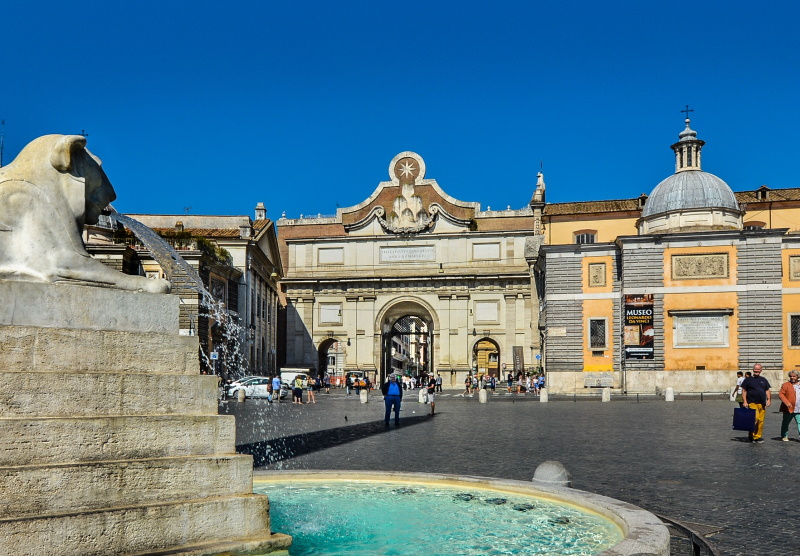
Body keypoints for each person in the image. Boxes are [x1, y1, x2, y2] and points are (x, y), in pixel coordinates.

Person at [741, 363, 771, 443]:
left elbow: (767, 390)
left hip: (762, 403)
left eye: (758, 369)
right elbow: (744, 391)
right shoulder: (748, 379)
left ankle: (757, 436)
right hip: (752, 402)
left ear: (761, 370)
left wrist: (769, 399)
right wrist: (745, 401)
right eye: (755, 369)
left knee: (761, 421)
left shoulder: (763, 380)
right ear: (753, 369)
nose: (756, 370)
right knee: (755, 418)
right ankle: (751, 435)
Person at [778, 370, 800, 441]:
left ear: (797, 376)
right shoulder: (786, 385)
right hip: (789, 408)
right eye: (791, 376)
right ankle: (784, 435)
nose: (792, 377)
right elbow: (781, 394)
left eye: (794, 376)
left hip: (799, 408)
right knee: (786, 422)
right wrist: (786, 402)